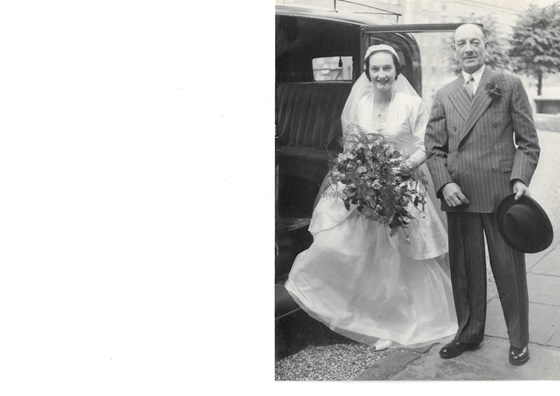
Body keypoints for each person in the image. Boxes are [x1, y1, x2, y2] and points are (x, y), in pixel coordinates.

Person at [285, 44, 457, 350]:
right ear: (368, 73)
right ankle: (361, 315)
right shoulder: (361, 104)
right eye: (375, 69)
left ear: (396, 71)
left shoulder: (411, 104)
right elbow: (352, 143)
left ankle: (395, 323)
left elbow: (424, 146)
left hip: (400, 186)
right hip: (364, 186)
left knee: (396, 261)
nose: (381, 75)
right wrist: (356, 173)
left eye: (387, 68)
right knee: (346, 248)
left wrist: (397, 170)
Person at [425, 24, 540, 365]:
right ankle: (470, 332)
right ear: (455, 50)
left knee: (508, 271)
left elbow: (528, 143)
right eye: (462, 43)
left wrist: (519, 178)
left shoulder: (508, 83)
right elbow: (433, 148)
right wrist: (445, 184)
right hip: (460, 196)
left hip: (500, 193)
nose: (469, 48)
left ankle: (518, 340)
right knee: (464, 270)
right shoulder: (445, 94)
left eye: (475, 41)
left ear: (485, 46)